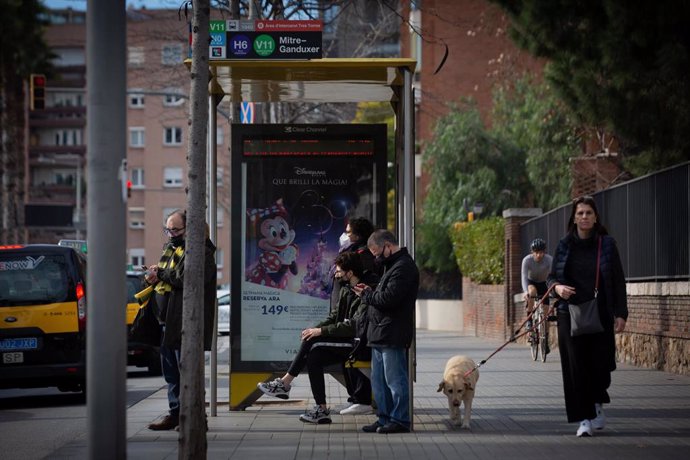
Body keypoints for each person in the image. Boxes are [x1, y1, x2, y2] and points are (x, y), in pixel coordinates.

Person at [256, 251, 379, 424]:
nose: (336, 275)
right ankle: (321, 409)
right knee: (314, 356)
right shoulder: (346, 290)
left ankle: (285, 383)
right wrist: (315, 328)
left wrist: (320, 332)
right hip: (345, 341)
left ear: (350, 273)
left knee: (312, 340)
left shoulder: (365, 291)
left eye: (339, 271)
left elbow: (354, 326)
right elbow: (334, 316)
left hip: (357, 343)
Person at [547, 196, 628, 438]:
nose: (584, 217)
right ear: (574, 217)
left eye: (588, 213)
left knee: (600, 366)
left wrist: (620, 313)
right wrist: (558, 289)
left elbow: (618, 280)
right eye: (580, 213)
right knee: (576, 368)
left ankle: (597, 402)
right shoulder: (564, 245)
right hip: (568, 314)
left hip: (600, 314)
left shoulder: (607, 245)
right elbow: (551, 278)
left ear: (596, 217)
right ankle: (585, 419)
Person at [145, 209, 217, 431]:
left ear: (191, 229)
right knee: (172, 374)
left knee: (186, 372)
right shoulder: (171, 249)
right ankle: (175, 413)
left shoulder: (201, 252)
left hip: (186, 323)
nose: (170, 233)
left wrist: (162, 274)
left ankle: (193, 417)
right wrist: (152, 276)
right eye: (167, 229)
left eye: (175, 229)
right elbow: (168, 277)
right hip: (167, 322)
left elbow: (186, 278)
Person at [353, 229, 419, 434]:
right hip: (381, 333)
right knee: (380, 383)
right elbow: (382, 295)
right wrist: (370, 293)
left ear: (388, 246)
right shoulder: (391, 267)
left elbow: (389, 299)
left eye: (377, 253)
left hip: (393, 333)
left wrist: (367, 294)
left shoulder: (404, 267)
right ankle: (384, 418)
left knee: (395, 381)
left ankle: (399, 420)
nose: (376, 258)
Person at [521, 237, 553, 349]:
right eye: (536, 252)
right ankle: (529, 320)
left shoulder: (549, 260)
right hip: (531, 282)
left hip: (544, 283)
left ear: (544, 252)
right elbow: (524, 277)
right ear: (532, 252)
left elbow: (554, 275)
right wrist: (525, 292)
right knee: (532, 292)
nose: (539, 255)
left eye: (541, 252)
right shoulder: (527, 260)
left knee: (545, 313)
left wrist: (554, 290)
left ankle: (546, 339)